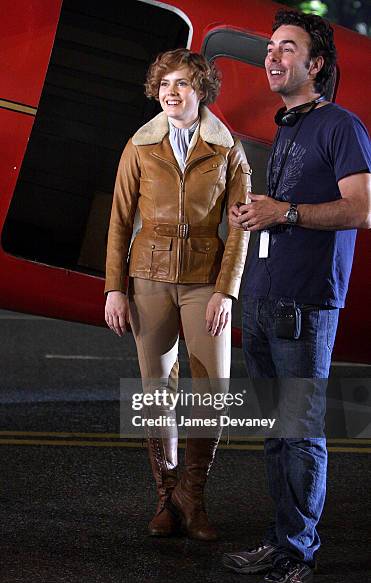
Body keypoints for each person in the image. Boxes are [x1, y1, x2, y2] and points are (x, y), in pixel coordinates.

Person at [223, 9, 371, 583]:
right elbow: (286, 211)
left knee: (303, 433)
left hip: (307, 305)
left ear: (316, 66)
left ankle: (300, 560)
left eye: (288, 48)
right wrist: (257, 215)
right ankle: (280, 541)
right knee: (275, 434)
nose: (273, 56)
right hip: (264, 298)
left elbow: (361, 208)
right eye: (271, 48)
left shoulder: (342, 126)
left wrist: (282, 213)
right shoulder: (288, 128)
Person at [105, 49, 250, 541]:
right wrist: (113, 289)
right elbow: (120, 221)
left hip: (205, 282)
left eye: (183, 83)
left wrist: (226, 292)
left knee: (213, 392)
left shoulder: (228, 149)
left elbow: (242, 228)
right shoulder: (140, 146)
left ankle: (196, 496)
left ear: (201, 90)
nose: (172, 91)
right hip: (147, 280)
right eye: (165, 83)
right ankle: (167, 498)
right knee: (156, 394)